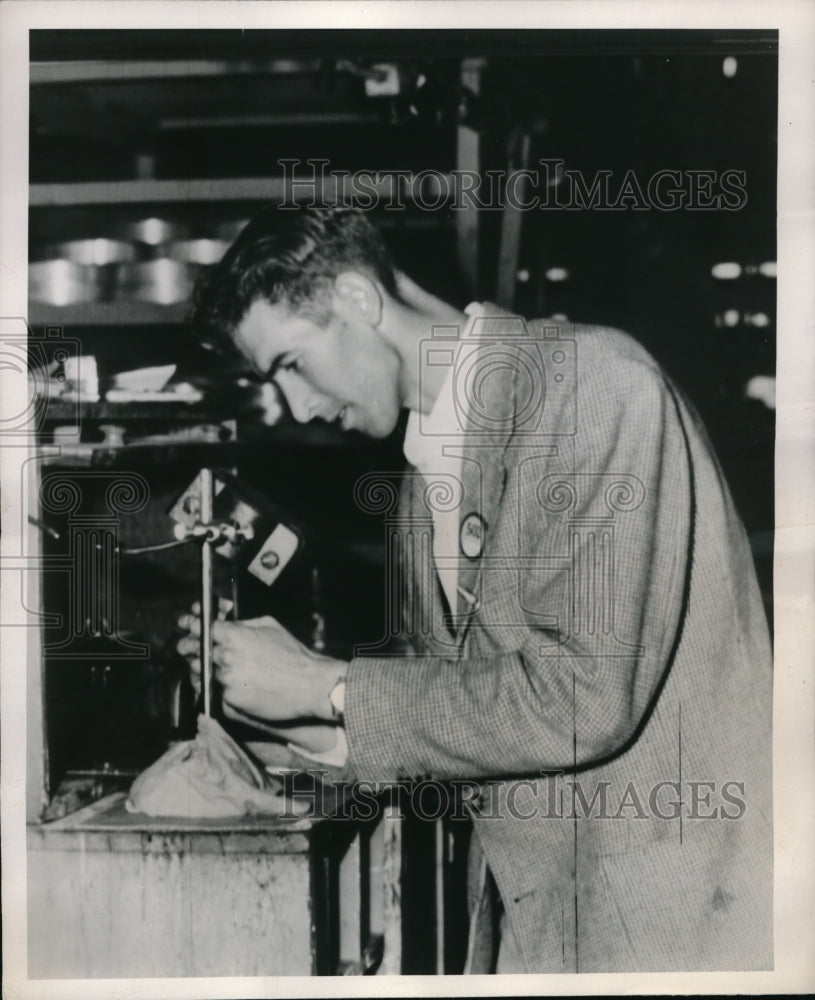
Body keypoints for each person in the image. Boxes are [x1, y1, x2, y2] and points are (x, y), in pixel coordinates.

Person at [177, 205, 773, 973]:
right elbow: (471, 720)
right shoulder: (419, 490)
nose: (298, 409)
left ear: (358, 300)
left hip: (677, 922)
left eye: (291, 364)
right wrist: (291, 709)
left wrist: (327, 684)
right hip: (547, 920)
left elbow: (581, 700)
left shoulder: (591, 388)